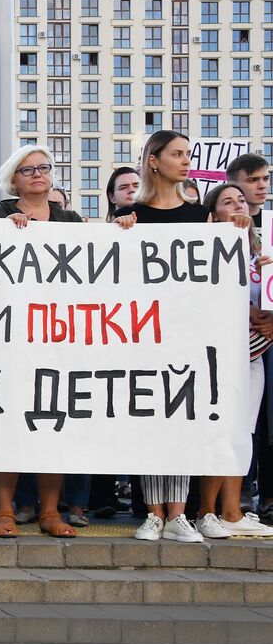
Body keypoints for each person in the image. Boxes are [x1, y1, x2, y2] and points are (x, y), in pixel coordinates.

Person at [115, 130, 236, 542]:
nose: (186, 161)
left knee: (184, 419)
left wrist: (238, 229)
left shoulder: (202, 215)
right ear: (154, 161)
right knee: (150, 419)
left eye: (189, 155)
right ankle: (153, 512)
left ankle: (179, 514)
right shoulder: (133, 216)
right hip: (145, 334)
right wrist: (121, 232)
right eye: (177, 154)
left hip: (189, 332)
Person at [0, 146, 84, 539]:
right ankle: (4, 509)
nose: (38, 174)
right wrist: (4, 230)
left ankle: (50, 511)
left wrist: (120, 229)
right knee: (6, 422)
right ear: (14, 179)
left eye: (44, 167)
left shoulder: (71, 220)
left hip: (57, 338)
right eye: (28, 170)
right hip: (6, 337)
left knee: (51, 424)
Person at [195, 183, 273, 538]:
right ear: (214, 214)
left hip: (254, 354)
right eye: (228, 201)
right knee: (219, 431)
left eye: (241, 199)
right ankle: (206, 510)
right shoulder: (204, 249)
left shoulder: (264, 253)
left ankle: (232, 509)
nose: (238, 204)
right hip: (215, 355)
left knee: (243, 433)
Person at [229, 153, 269, 229]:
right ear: (232, 185)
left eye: (266, 179)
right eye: (252, 180)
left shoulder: (270, 221)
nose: (263, 186)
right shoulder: (215, 222)